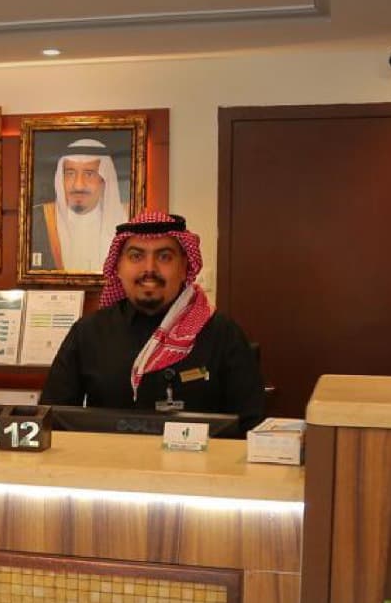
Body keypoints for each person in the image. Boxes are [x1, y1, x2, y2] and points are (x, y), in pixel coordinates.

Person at [40, 210, 265, 430]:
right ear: (118, 267)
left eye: (164, 256)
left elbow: (251, 428)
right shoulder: (88, 333)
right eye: (136, 256)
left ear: (184, 267)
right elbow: (51, 421)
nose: (149, 269)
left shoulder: (222, 334)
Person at [30, 137, 129, 272]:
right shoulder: (37, 219)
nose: (78, 185)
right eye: (70, 174)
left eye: (89, 174)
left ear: (104, 180)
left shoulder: (127, 218)